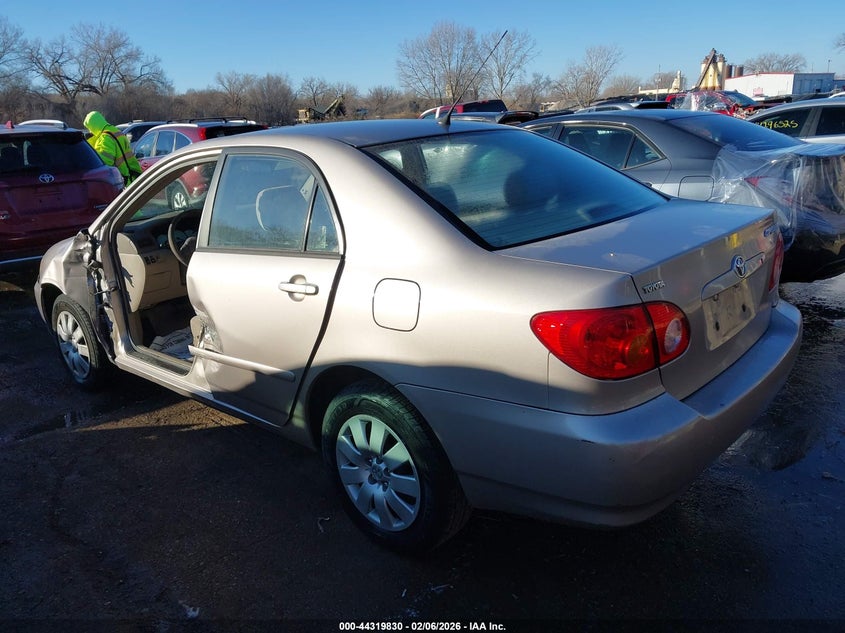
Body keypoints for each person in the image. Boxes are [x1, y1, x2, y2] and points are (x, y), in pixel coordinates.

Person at [83, 111, 142, 186]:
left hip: (122, 181)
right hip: (133, 176)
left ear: (93, 126)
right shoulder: (115, 131)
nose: (90, 131)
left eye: (89, 128)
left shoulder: (105, 138)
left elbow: (104, 163)